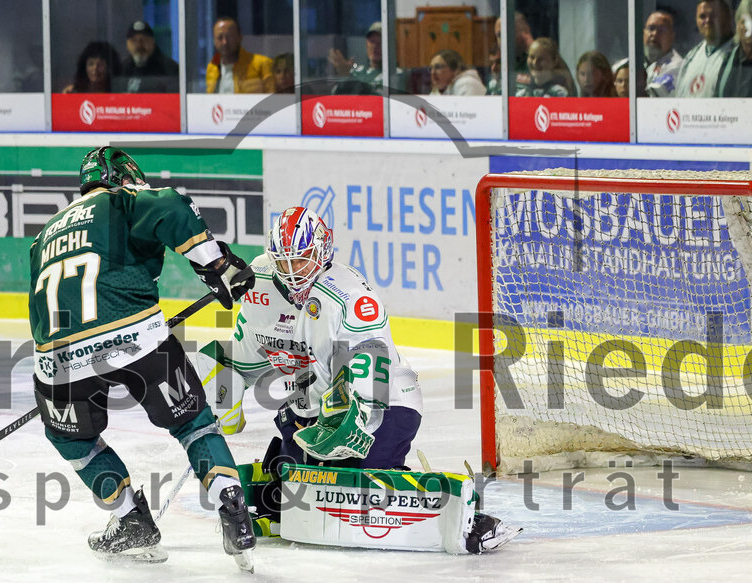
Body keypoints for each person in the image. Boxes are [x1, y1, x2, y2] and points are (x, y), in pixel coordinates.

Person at [192, 207, 517, 555]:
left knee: (363, 489)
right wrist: (219, 397)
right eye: (283, 263)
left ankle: (459, 514)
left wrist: (338, 434)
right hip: (313, 407)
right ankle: (284, 479)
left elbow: (367, 380)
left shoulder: (351, 299)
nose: (292, 273)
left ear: (322, 251)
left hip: (386, 403)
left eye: (300, 261)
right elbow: (242, 362)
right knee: (298, 493)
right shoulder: (259, 287)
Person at [28, 147, 257, 568]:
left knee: (70, 437)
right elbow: (171, 204)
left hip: (58, 357)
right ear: (124, 175)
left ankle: (130, 519)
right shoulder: (119, 200)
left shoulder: (43, 236)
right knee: (192, 424)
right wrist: (217, 266)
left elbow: (41, 309)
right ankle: (231, 502)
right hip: (138, 339)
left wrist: (50, 382)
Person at [675, 0, 734, 97]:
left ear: (728, 17)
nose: (708, 20)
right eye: (702, 16)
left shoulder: (738, 54)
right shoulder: (691, 57)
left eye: (714, 15)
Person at [205, 17, 274, 94]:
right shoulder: (212, 68)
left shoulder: (262, 64)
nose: (225, 42)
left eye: (229, 37)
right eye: (220, 37)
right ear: (214, 41)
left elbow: (273, 101)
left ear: (240, 38)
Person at [118, 20, 179, 94]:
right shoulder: (122, 69)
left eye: (144, 40)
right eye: (134, 41)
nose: (139, 45)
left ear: (152, 42)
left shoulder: (169, 69)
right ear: (127, 45)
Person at [328, 21, 388, 94]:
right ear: (366, 45)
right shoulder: (358, 72)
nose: (375, 46)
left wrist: (348, 76)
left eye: (380, 42)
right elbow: (337, 97)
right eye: (372, 41)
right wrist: (344, 78)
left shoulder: (396, 75)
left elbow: (380, 100)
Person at [642, 9, 684, 97]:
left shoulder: (677, 66)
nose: (654, 33)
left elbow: (648, 96)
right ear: (643, 33)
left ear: (672, 36)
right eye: (651, 28)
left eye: (661, 30)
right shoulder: (645, 64)